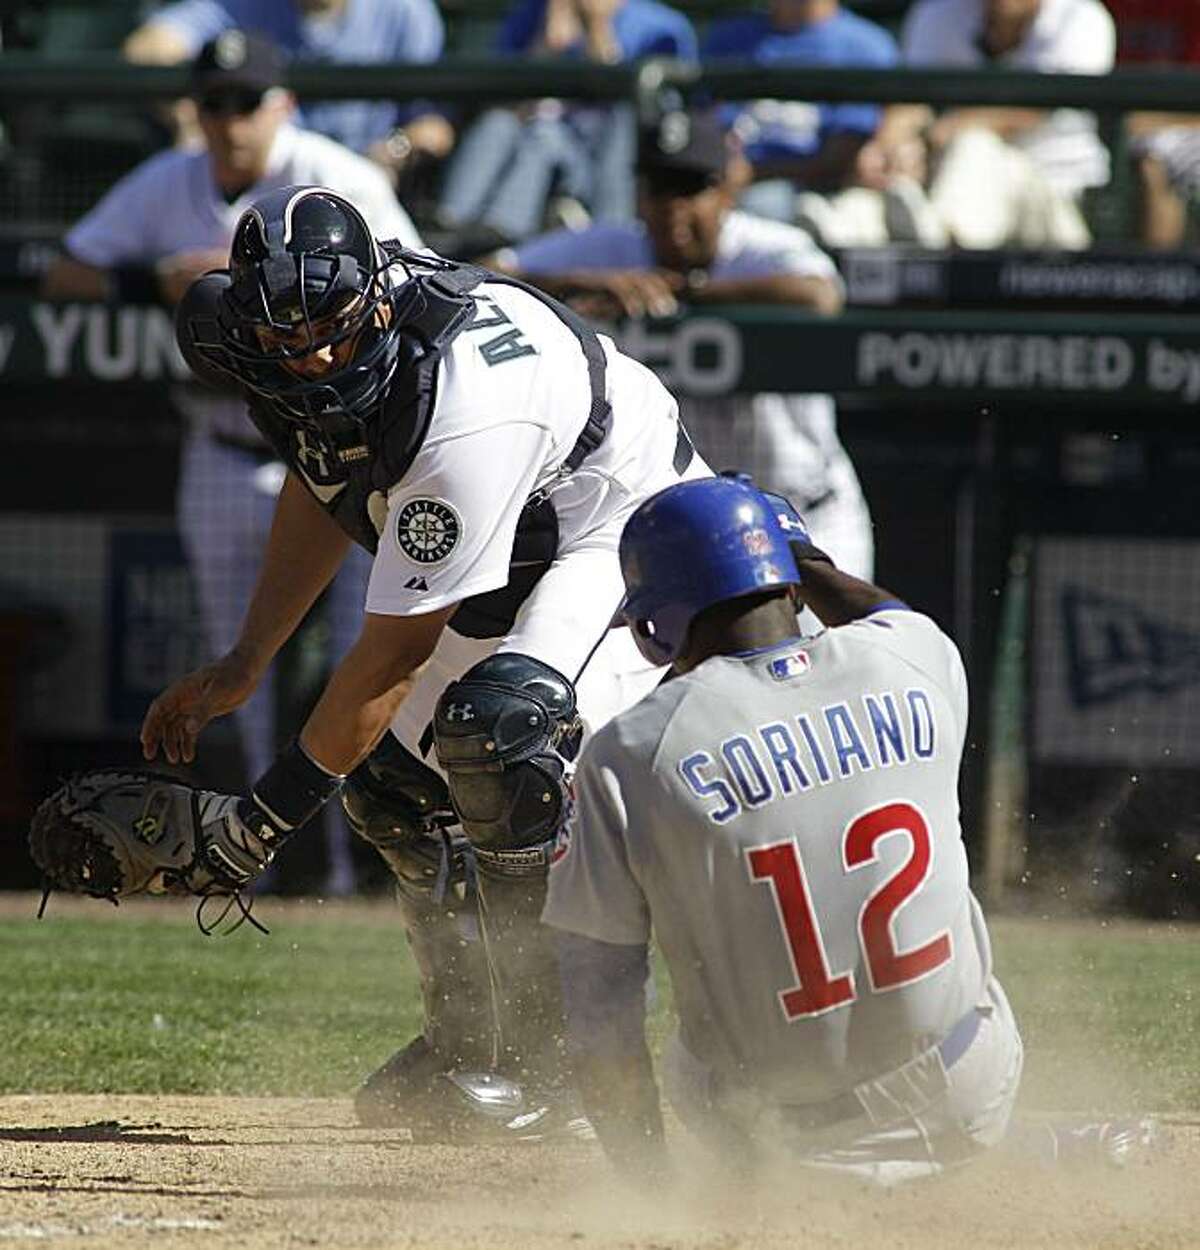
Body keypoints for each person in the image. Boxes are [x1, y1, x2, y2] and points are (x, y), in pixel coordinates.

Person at [143, 182, 711, 1135]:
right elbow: (324, 483)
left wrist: (257, 823)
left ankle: (559, 1060)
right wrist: (248, 657)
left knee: (501, 736)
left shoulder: (461, 406)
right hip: (517, 534)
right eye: (285, 334)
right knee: (391, 783)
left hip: (619, 517)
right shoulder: (270, 349)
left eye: (328, 323)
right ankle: (471, 1042)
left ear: (375, 297)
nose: (311, 352)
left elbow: (395, 656)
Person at [542, 475, 1024, 1187]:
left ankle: (867, 1177)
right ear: (794, 581)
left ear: (657, 622)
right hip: (970, 1092)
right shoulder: (916, 658)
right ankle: (993, 1162)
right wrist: (800, 556)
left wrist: (653, 1197)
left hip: (778, 1143)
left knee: (678, 1037)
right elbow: (881, 612)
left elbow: (597, 1007)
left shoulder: (632, 752)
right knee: (962, 962)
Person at [42, 31, 424, 896]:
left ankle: (360, 865)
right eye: (213, 102)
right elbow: (66, 270)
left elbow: (406, 283)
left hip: (355, 453)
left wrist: (238, 279)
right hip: (221, 445)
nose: (228, 121)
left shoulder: (338, 179)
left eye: (246, 101)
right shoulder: (169, 179)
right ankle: (274, 864)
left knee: (380, 650)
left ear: (282, 105)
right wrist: (155, 283)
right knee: (235, 666)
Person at [490, 109, 874, 583]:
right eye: (660, 189)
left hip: (804, 515)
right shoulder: (612, 251)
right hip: (684, 525)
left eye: (692, 189)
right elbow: (484, 273)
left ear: (727, 193)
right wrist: (583, 282)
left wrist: (685, 290)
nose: (675, 207)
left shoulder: (764, 246)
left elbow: (821, 295)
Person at [434, 0, 697, 248]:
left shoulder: (663, 26)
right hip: (530, 144)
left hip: (600, 168)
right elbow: (500, 97)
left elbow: (661, 121)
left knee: (544, 138)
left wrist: (597, 27)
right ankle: (445, 229)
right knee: (498, 123)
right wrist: (547, 45)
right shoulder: (532, 13)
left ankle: (496, 238)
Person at [124, 0, 452, 194]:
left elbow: (434, 125)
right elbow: (146, 49)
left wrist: (396, 149)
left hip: (358, 181)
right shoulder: (243, 6)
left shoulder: (405, 11)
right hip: (259, 186)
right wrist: (190, 114)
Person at [701, 0, 942, 249]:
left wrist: (753, 173)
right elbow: (705, 124)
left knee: (771, 204)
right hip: (725, 184)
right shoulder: (727, 37)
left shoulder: (864, 45)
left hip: (813, 193)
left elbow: (842, 157)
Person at [900, 0, 1116, 250]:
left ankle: (939, 251)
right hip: (945, 184)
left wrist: (961, 125)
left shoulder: (1082, 17)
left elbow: (1039, 106)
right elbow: (908, 104)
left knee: (974, 145)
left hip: (1055, 190)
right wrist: (891, 143)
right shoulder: (937, 14)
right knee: (863, 207)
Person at [1104, 0, 1200, 248]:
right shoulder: (1101, 8)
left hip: (1181, 129)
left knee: (1155, 160)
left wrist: (1153, 120)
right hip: (1108, 124)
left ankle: (1155, 276)